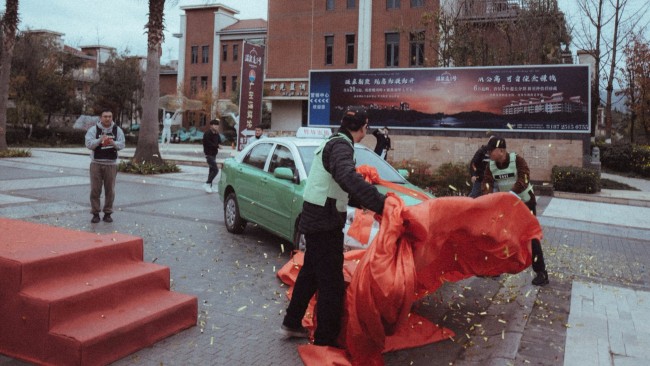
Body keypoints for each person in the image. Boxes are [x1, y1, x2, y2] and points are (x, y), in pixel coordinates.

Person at [280, 108, 386, 347]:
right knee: (332, 283)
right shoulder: (341, 146)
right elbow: (346, 177)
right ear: (362, 127)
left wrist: (363, 202)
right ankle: (326, 340)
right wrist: (381, 203)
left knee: (310, 274)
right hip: (324, 222)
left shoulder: (333, 141)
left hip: (316, 217)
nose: (366, 131)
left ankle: (291, 322)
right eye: (366, 127)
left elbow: (338, 182)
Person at [482, 136, 549, 286]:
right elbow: (487, 181)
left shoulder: (518, 160)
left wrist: (511, 193)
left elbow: (524, 178)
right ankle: (497, 269)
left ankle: (541, 273)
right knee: (499, 236)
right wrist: (487, 196)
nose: (489, 154)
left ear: (501, 150)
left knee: (531, 237)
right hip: (508, 206)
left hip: (525, 203)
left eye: (491, 151)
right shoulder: (490, 166)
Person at [84, 108, 125, 223]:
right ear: (101, 118)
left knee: (110, 190)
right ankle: (95, 213)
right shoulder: (93, 130)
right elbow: (88, 144)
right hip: (96, 164)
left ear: (112, 118)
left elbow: (122, 144)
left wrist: (113, 143)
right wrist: (99, 140)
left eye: (109, 116)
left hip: (111, 165)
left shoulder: (118, 130)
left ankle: (108, 213)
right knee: (95, 190)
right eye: (105, 116)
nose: (107, 118)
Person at [202, 119, 221, 193]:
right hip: (209, 154)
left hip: (214, 154)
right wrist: (217, 146)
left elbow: (219, 141)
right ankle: (207, 184)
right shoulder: (207, 133)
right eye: (215, 125)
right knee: (216, 170)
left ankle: (210, 186)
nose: (216, 127)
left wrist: (219, 145)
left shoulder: (216, 134)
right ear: (211, 125)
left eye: (217, 125)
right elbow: (208, 143)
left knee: (211, 170)